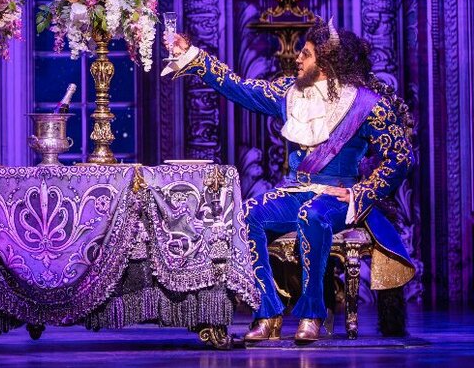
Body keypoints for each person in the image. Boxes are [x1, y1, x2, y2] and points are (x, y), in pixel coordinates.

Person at [162, 19, 415, 344]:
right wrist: (193, 55)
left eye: (305, 54)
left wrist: (361, 191)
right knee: (245, 216)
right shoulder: (288, 93)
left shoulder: (366, 105)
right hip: (296, 189)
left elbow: (400, 156)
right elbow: (237, 86)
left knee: (313, 215)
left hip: (338, 199)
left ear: (324, 63)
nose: (298, 59)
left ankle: (311, 313)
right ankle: (267, 312)